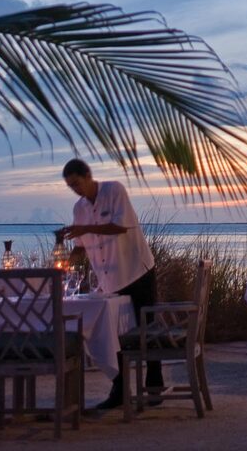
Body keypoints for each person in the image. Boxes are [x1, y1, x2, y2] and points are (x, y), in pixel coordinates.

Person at [61, 158, 163, 410]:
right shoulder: (79, 209)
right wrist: (64, 264)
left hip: (136, 270)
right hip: (108, 280)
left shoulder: (114, 191)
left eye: (77, 183)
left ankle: (155, 387)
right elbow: (80, 247)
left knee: (147, 329)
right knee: (112, 333)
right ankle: (119, 388)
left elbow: (119, 226)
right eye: (70, 186)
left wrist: (85, 228)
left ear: (88, 176)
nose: (75, 189)